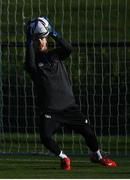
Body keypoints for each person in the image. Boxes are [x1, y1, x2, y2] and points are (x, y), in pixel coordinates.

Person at [24, 17, 117, 170]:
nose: (40, 42)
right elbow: (29, 64)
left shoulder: (55, 55)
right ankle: (64, 157)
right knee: (45, 137)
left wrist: (53, 32)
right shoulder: (33, 64)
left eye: (42, 39)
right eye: (36, 40)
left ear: (46, 39)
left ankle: (98, 156)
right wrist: (28, 40)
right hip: (50, 110)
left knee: (89, 133)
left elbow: (68, 48)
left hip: (69, 107)